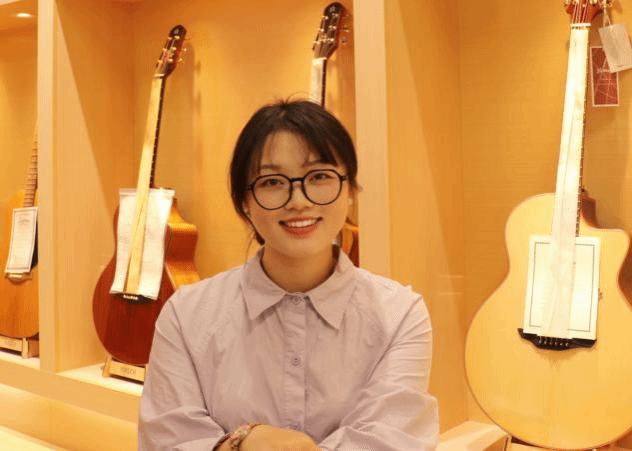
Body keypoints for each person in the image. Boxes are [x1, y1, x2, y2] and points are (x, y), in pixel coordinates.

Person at [138, 99, 439, 451]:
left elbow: (391, 441)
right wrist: (242, 443)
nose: (298, 201)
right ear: (244, 202)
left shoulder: (400, 314)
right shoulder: (186, 314)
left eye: (320, 176)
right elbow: (167, 440)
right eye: (272, 182)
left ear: (351, 190)